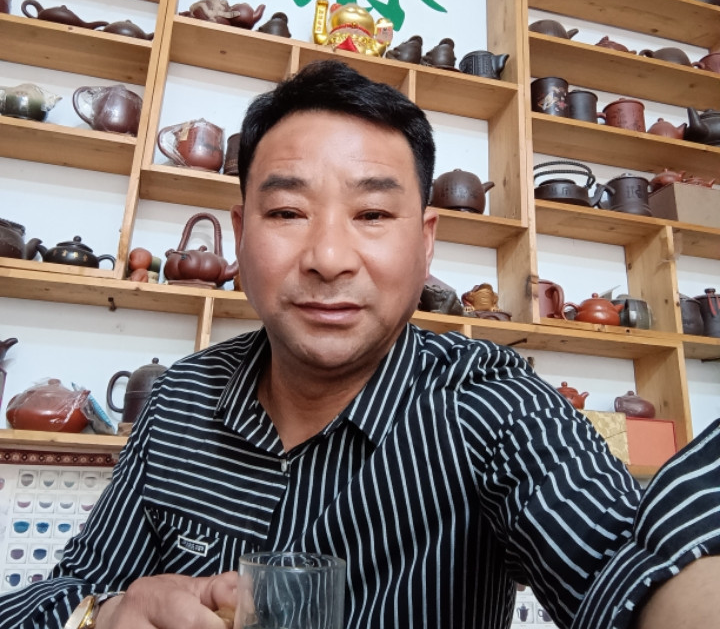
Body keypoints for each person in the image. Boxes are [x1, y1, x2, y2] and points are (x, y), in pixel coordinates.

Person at [1, 60, 718, 629]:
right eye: (287, 211)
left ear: (426, 243)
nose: (329, 258)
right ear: (241, 233)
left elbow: (625, 569)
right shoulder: (181, 400)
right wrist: (102, 615)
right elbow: (67, 589)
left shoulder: (493, 407)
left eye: (372, 213)